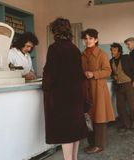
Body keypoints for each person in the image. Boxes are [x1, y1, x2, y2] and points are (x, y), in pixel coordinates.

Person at [42, 18, 87, 160]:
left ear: (54, 31)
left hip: (62, 96)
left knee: (66, 131)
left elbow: (50, 73)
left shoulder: (54, 48)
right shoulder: (75, 49)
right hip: (76, 94)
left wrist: (46, 86)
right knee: (75, 130)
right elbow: (80, 73)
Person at [81, 28, 115, 154]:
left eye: (90, 38)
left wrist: (93, 74)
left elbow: (108, 71)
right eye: (86, 38)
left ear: (96, 40)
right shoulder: (82, 54)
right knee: (88, 116)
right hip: (86, 89)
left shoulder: (102, 54)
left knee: (99, 117)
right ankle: (91, 143)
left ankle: (99, 145)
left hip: (99, 90)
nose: (88, 41)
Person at [110, 43, 134, 132]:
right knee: (120, 106)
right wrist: (113, 76)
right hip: (118, 85)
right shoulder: (111, 61)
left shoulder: (126, 58)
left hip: (128, 84)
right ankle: (126, 124)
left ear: (119, 51)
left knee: (132, 105)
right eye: (111, 50)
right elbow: (110, 72)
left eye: (114, 50)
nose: (112, 52)